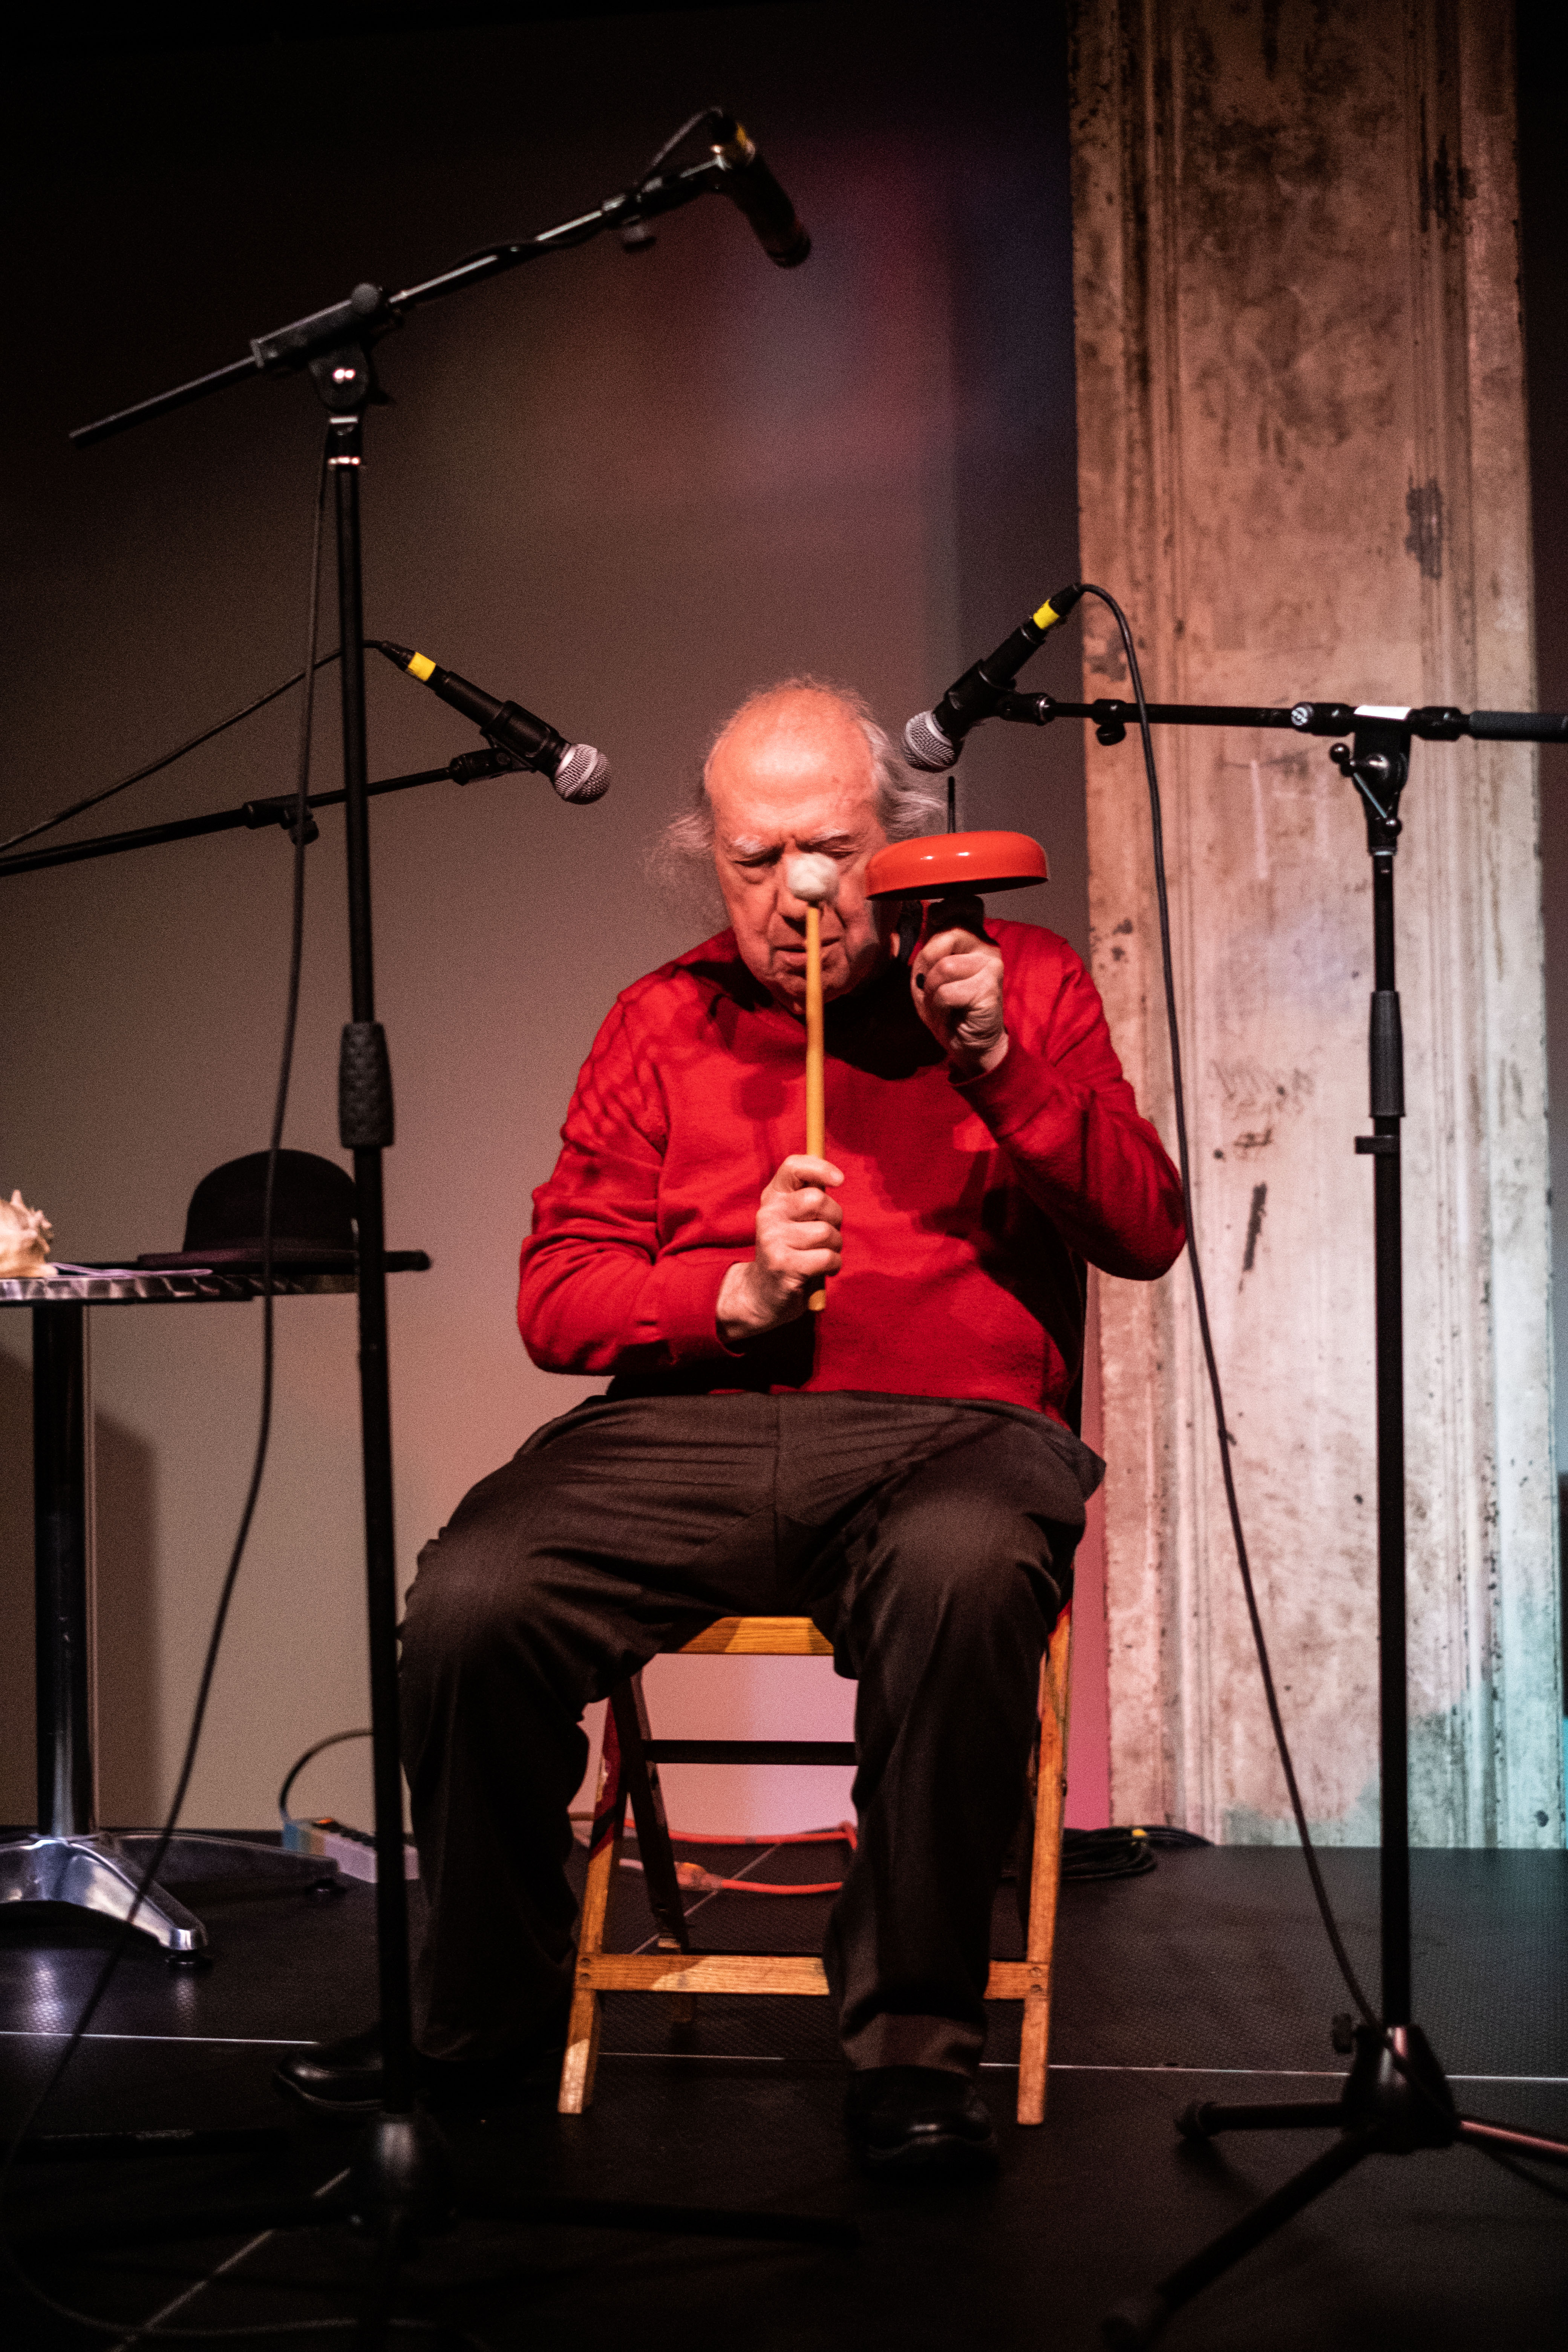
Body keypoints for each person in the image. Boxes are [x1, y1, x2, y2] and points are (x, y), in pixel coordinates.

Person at [278, 678, 1185, 2174]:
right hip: (689, 1436)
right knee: (471, 1602)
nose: (797, 895)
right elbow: (554, 1299)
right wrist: (733, 1295)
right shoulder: (660, 1020)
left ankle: (907, 2061)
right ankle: (478, 2039)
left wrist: (1002, 1068)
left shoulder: (1012, 978)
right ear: (707, 859)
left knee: (961, 1575)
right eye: (755, 861)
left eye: (826, 850)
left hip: (944, 1434)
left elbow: (1144, 1231)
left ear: (894, 841)